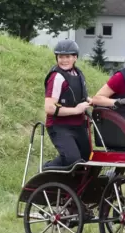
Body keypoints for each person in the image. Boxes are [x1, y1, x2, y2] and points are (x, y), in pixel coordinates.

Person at [43, 39, 92, 168]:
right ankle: (45, 170)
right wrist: (76, 110)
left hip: (78, 125)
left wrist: (89, 100)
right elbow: (49, 107)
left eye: (67, 57)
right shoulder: (56, 77)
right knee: (73, 160)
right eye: (60, 57)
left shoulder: (78, 73)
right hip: (59, 126)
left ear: (75, 57)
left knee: (87, 157)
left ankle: (74, 186)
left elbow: (78, 96)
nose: (64, 60)